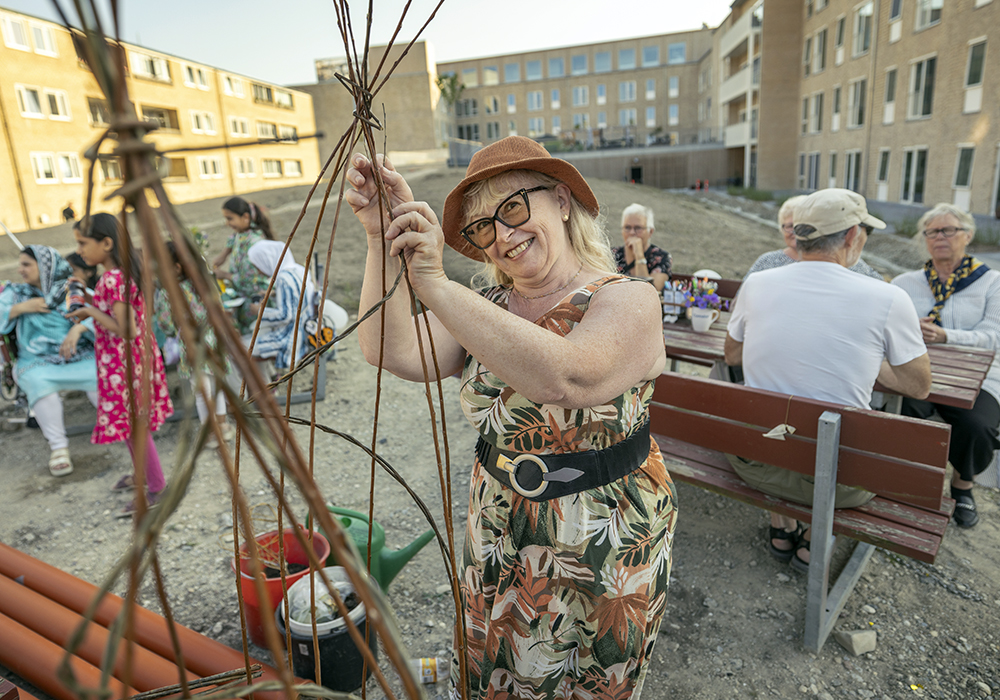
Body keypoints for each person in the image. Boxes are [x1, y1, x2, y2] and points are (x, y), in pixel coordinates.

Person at [346, 136, 675, 699]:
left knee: (584, 679)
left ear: (562, 200)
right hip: (499, 523)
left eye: (514, 209)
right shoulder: (489, 310)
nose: (502, 236)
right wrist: (381, 236)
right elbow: (388, 348)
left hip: (601, 538)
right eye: (481, 229)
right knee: (494, 668)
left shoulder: (627, 299)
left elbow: (569, 376)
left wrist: (435, 283)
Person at [724, 189, 931, 571]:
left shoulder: (758, 283)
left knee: (783, 428)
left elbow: (732, 355)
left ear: (800, 235)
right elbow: (918, 386)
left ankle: (782, 523)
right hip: (842, 484)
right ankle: (810, 535)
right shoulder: (888, 297)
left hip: (755, 463)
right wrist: (871, 361)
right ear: (853, 236)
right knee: (831, 443)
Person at [891, 203, 1000, 529]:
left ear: (967, 235)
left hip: (979, 375)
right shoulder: (904, 283)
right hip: (918, 370)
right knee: (900, 415)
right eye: (932, 232)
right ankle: (913, 484)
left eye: (948, 230)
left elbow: (995, 337)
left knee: (977, 426)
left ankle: (962, 485)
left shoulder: (992, 282)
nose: (940, 237)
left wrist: (944, 335)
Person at [68, 213, 173, 517]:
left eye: (82, 243)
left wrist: (89, 311)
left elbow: (125, 328)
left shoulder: (114, 278)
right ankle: (143, 475)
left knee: (135, 426)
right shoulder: (119, 275)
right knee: (131, 424)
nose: (79, 251)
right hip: (127, 359)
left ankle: (156, 488)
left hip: (124, 363)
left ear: (107, 243)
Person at [0, 245, 97, 476]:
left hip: (80, 356)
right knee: (37, 381)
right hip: (37, 360)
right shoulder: (15, 293)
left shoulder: (72, 289)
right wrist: (20, 308)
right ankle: (58, 448)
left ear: (44, 267)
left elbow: (100, 314)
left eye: (26, 264)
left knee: (100, 374)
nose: (20, 269)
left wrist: (79, 329)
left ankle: (118, 427)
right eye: (20, 263)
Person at [152, 241, 234, 445]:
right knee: (216, 386)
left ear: (176, 268)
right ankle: (223, 427)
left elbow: (166, 324)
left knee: (201, 392)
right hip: (213, 341)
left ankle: (211, 432)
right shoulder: (204, 284)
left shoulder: (167, 294)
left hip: (191, 346)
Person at [744, 194, 884, 280]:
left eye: (802, 227)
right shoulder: (767, 262)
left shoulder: (856, 266)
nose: (796, 232)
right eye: (789, 226)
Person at [244, 240, 315, 372]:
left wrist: (259, 311)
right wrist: (275, 294)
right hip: (305, 330)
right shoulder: (297, 269)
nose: (259, 271)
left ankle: (259, 385)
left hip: (291, 338)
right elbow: (297, 296)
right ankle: (267, 379)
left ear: (267, 260)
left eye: (258, 266)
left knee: (240, 347)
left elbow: (285, 316)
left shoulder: (283, 278)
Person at [212, 197, 275, 333]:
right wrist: (224, 254)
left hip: (255, 301)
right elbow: (234, 238)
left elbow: (249, 280)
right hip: (244, 297)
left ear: (245, 217)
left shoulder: (254, 244)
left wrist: (225, 275)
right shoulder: (241, 234)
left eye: (230, 218)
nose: (227, 223)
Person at [611, 203, 671, 291]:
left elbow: (650, 291)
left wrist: (639, 255)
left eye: (638, 228)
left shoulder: (661, 257)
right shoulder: (612, 254)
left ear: (650, 232)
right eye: (627, 227)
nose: (632, 232)